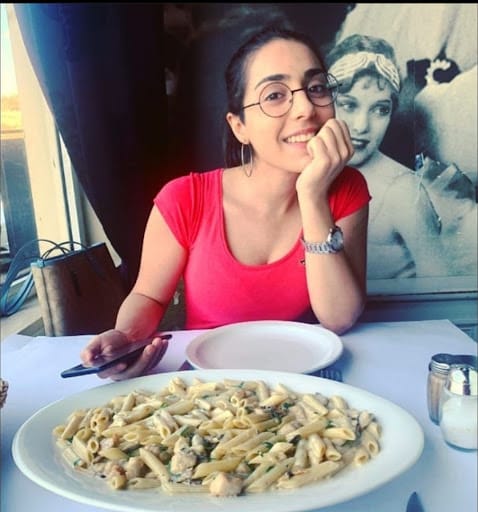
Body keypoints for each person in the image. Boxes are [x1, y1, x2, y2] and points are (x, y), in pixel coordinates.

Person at [80, 25, 371, 380]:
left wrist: (312, 195)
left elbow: (339, 318)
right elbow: (149, 297)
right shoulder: (184, 198)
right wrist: (126, 339)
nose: (306, 108)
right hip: (207, 385)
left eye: (317, 87)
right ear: (239, 127)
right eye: (275, 95)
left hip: (304, 379)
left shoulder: (347, 189)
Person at [327, 34, 448, 279]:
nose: (361, 126)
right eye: (349, 105)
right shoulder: (306, 174)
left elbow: (440, 287)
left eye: (380, 110)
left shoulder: (402, 191)